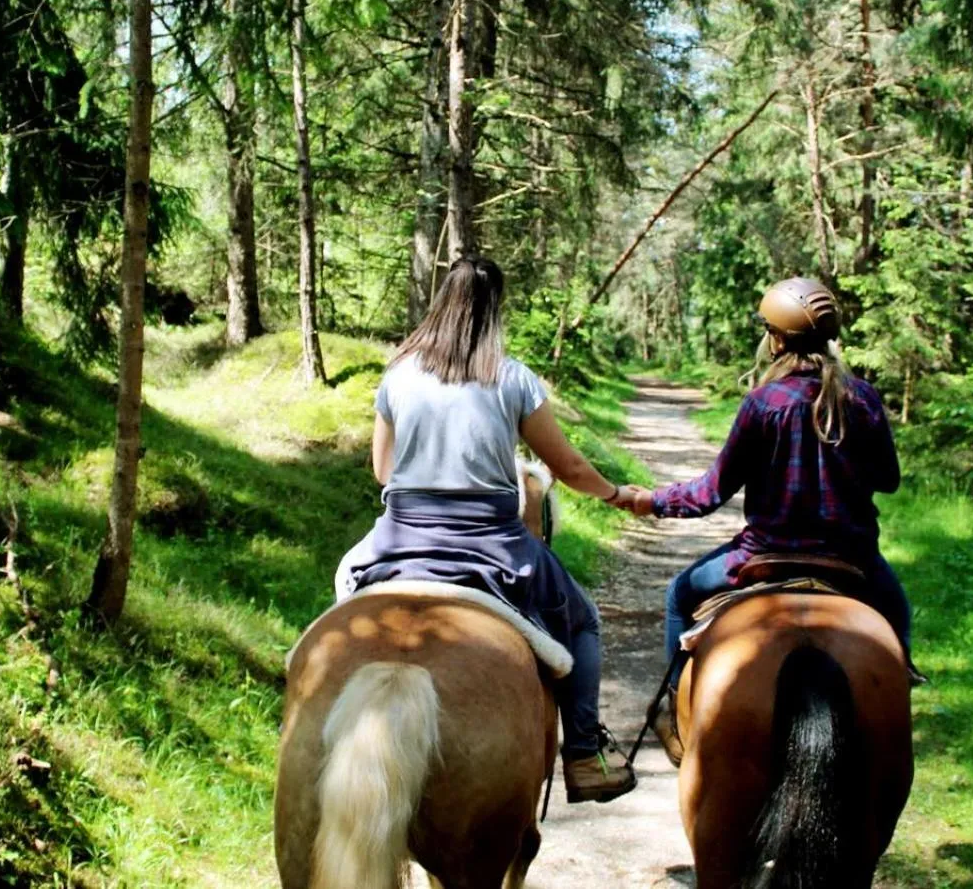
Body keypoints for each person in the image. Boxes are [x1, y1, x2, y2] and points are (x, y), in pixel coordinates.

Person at [336, 255, 638, 804]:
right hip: (492, 541)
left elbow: (383, 470)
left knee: (342, 597)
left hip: (401, 533)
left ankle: (319, 707)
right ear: (494, 309)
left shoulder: (398, 375)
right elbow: (567, 468)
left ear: (440, 303)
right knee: (583, 621)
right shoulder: (514, 377)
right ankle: (583, 757)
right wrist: (618, 495)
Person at [623, 277, 915, 766]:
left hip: (762, 555)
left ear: (776, 339)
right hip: (852, 557)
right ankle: (898, 692)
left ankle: (673, 708)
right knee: (898, 612)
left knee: (679, 592)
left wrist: (651, 500)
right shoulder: (863, 398)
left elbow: (709, 494)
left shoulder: (762, 403)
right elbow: (888, 479)